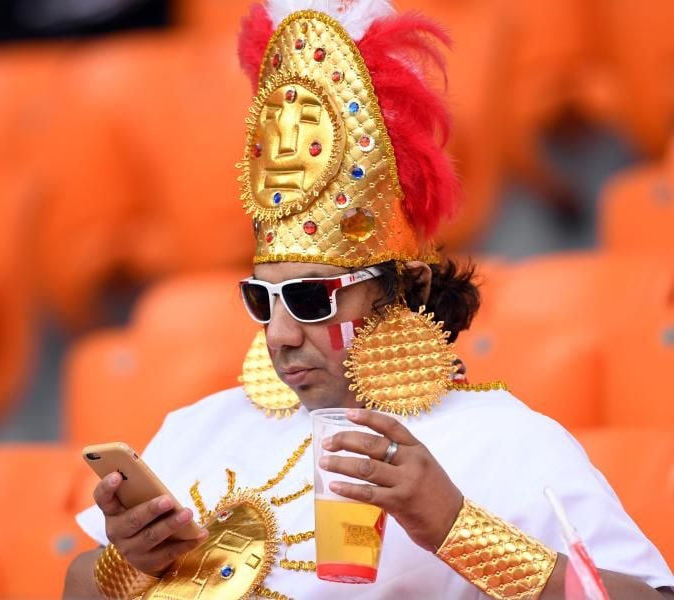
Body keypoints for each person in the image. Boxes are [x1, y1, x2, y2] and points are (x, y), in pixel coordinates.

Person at [63, 1, 674, 598]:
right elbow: (74, 588)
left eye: (310, 299)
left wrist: (460, 531)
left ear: (407, 287)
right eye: (263, 298)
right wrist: (128, 566)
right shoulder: (199, 428)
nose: (278, 333)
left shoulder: (504, 440)